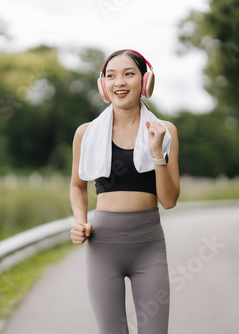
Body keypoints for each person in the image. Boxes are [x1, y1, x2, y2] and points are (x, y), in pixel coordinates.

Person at [69, 49, 180, 334]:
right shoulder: (87, 133)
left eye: (129, 74)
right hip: (103, 247)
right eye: (111, 76)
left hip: (149, 246)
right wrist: (80, 221)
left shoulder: (165, 131)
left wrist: (157, 153)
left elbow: (168, 201)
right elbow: (77, 186)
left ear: (145, 81)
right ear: (103, 85)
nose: (119, 82)